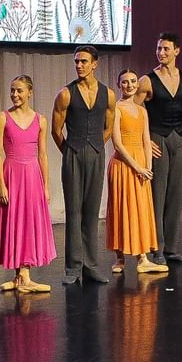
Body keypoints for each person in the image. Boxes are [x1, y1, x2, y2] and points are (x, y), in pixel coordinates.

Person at [51, 45, 117, 284]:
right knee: (74, 210)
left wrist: (96, 144)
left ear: (95, 64)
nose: (79, 66)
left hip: (96, 152)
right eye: (77, 62)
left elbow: (109, 126)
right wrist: (70, 150)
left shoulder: (108, 94)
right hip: (73, 153)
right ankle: (73, 268)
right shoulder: (66, 94)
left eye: (84, 62)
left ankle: (91, 265)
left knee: (91, 211)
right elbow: (56, 130)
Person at [135, 32, 182, 264]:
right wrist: (145, 139)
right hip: (157, 139)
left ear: (176, 51)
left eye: (166, 49)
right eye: (159, 48)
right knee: (157, 195)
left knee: (176, 193)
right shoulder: (147, 80)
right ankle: (157, 248)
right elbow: (134, 110)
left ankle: (171, 248)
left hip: (178, 138)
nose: (161, 52)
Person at [0, 75, 55, 293]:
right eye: (12, 90)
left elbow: (43, 154)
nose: (15, 95)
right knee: (13, 221)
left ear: (30, 92)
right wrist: (1, 184)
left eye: (19, 90)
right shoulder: (3, 118)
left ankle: (24, 275)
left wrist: (46, 185)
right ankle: (20, 276)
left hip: (32, 175)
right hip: (12, 174)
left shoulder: (41, 120)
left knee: (29, 222)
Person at [107, 69, 167, 274]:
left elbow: (146, 140)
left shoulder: (142, 110)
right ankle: (120, 257)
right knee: (121, 207)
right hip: (124, 164)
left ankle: (142, 258)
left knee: (140, 208)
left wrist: (148, 167)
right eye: (125, 82)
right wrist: (138, 167)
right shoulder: (116, 109)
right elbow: (117, 144)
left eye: (133, 81)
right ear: (119, 85)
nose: (130, 85)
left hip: (142, 163)